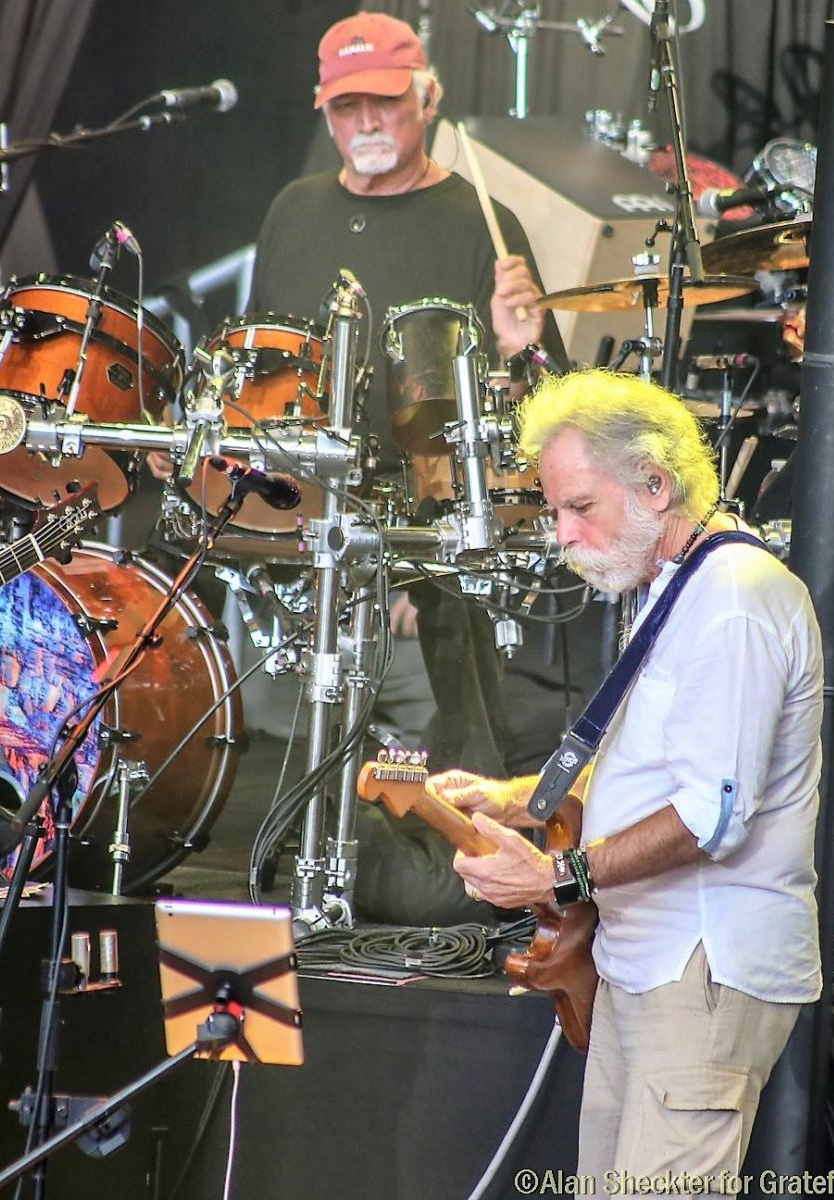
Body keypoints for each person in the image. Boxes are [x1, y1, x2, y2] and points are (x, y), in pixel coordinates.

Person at [432, 369, 823, 1183]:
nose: (562, 535)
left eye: (581, 508)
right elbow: (646, 769)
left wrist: (555, 875)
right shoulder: (678, 590)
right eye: (555, 511)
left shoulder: (735, 597)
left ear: (656, 483)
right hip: (646, 963)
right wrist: (517, 799)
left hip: (703, 968)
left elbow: (710, 816)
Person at [250, 11, 567, 922]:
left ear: (425, 96)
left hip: (432, 545)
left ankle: (436, 872)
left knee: (441, 857)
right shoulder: (293, 210)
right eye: (345, 107)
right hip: (313, 527)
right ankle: (314, 859)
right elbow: (268, 382)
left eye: (383, 102)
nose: (365, 124)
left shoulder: (481, 221)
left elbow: (528, 419)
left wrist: (518, 350)